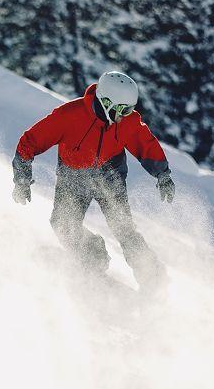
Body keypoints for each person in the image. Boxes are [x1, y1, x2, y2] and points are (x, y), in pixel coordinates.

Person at [12, 71, 174, 291]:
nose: (127, 114)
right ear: (107, 103)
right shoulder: (69, 115)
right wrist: (22, 178)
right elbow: (30, 141)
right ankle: (93, 256)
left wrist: (162, 174)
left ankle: (155, 280)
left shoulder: (127, 121)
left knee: (123, 228)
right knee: (63, 224)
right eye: (123, 110)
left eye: (130, 109)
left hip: (110, 175)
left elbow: (145, 144)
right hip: (74, 176)